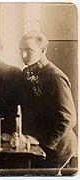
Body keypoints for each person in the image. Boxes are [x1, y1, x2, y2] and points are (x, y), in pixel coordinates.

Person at [18, 31, 77, 168]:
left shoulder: (55, 77)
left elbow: (68, 117)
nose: (23, 55)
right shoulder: (27, 73)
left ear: (43, 50)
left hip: (59, 150)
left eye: (29, 50)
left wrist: (42, 141)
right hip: (38, 146)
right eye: (20, 50)